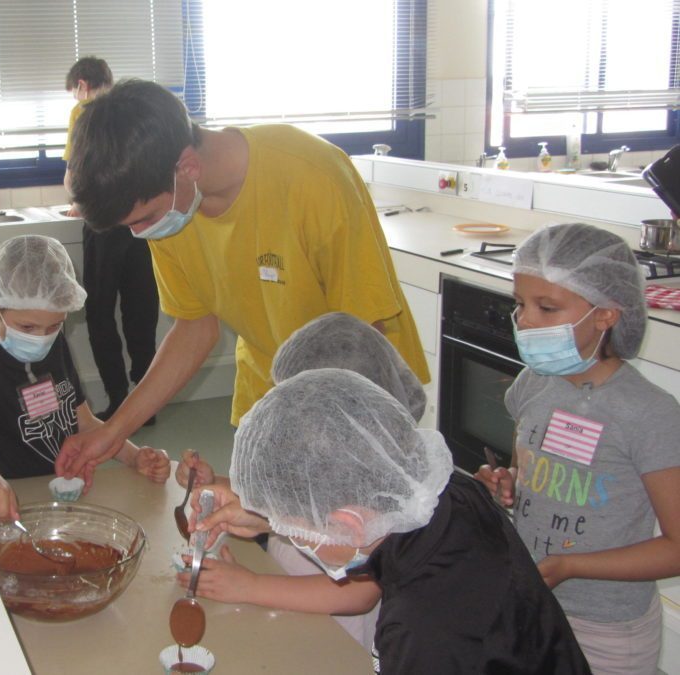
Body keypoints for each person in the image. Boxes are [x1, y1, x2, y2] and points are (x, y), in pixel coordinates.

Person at [56, 79, 428, 482]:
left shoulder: (311, 175)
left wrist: (327, 453)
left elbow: (361, 336)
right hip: (267, 392)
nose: (140, 232)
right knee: (264, 535)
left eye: (143, 218)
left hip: (358, 396)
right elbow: (194, 326)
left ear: (187, 167)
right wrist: (113, 433)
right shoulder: (172, 207)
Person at [205, 368, 590, 673]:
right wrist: (269, 519)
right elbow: (352, 526)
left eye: (297, 531)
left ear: (350, 523)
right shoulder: (444, 492)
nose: (296, 537)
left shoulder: (422, 633)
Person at [475, 222, 680, 674]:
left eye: (546, 308)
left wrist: (572, 564)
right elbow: (528, 469)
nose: (525, 320)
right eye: (521, 304)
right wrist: (505, 485)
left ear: (606, 314)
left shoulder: (649, 413)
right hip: (528, 599)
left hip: (605, 628)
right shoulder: (534, 383)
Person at [173, 311, 428, 649]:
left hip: (338, 640)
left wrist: (251, 587)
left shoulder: (380, 491)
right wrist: (219, 482)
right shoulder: (320, 453)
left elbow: (360, 593)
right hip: (285, 608)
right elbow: (296, 506)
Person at [0, 234, 170, 521]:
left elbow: (84, 423)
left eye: (54, 326)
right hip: (8, 498)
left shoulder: (55, 345)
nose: (41, 338)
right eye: (28, 326)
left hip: (59, 491)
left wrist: (134, 456)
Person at [63, 58, 159, 423]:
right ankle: (146, 404)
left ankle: (118, 399)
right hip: (144, 222)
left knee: (100, 312)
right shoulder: (131, 112)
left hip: (104, 223)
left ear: (82, 85)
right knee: (141, 309)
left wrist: (77, 202)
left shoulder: (84, 112)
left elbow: (75, 176)